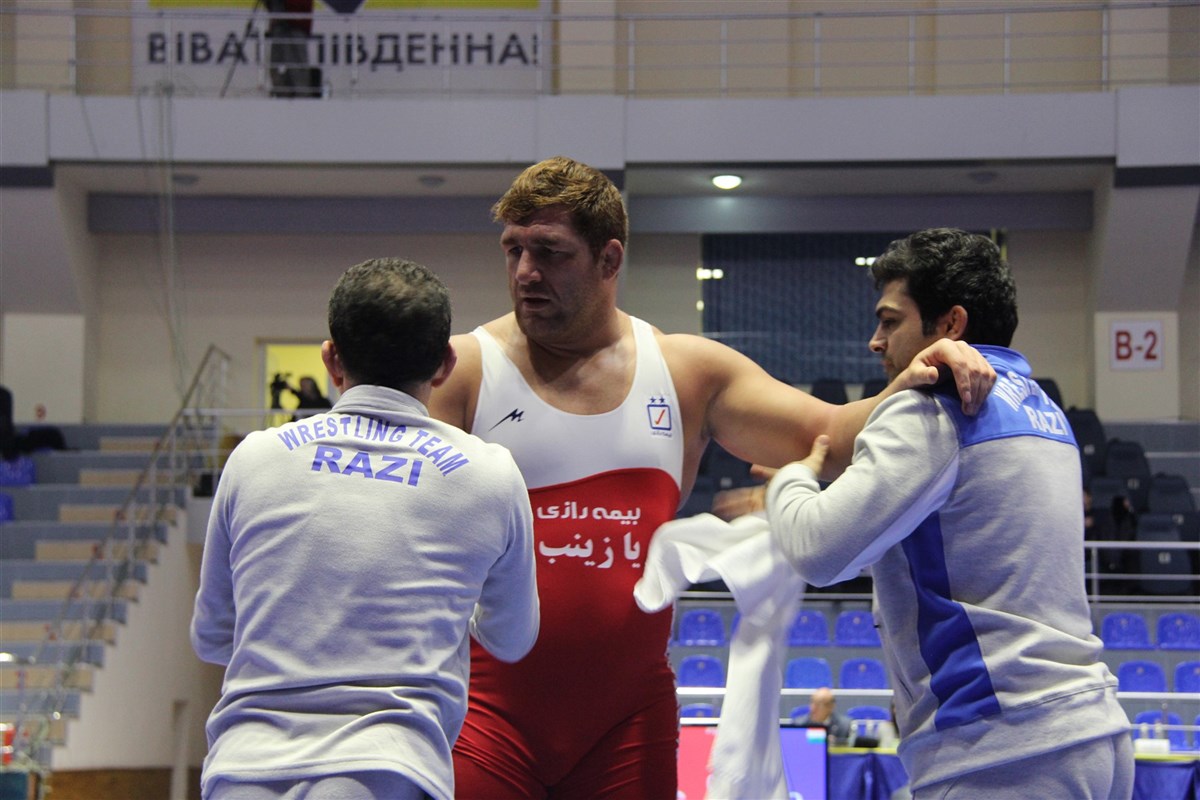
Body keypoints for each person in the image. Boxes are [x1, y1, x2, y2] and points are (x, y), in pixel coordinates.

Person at [426, 157, 996, 799]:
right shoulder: (461, 371)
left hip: (624, 729)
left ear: (610, 259)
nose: (526, 272)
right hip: (487, 719)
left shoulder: (685, 373)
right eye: (514, 250)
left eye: (550, 253)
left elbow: (832, 438)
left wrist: (923, 375)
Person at [765, 228, 1133, 799]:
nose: (875, 341)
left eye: (890, 321)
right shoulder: (1043, 409)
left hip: (1003, 750)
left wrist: (791, 480)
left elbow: (818, 550)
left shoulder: (934, 408)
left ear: (950, 325)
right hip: (1094, 735)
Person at [190, 257, 540, 800]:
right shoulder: (488, 473)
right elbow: (512, 640)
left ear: (331, 359)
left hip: (243, 767)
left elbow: (212, 636)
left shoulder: (255, 457)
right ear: (445, 364)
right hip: (389, 767)